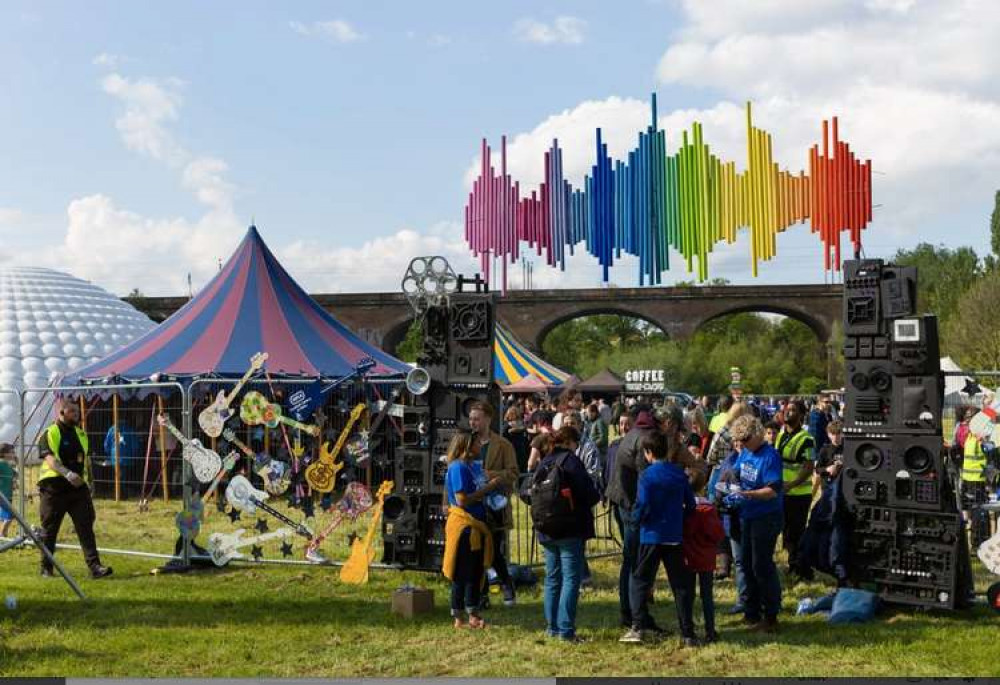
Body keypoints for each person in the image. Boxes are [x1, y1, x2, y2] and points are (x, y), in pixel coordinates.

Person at [619, 431, 698, 646]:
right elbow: (691, 505)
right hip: (673, 535)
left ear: (648, 453)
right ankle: (688, 632)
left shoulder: (647, 475)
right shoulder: (679, 474)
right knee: (680, 585)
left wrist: (635, 520)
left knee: (639, 581)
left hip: (651, 535)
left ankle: (638, 626)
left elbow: (643, 504)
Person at [533, 426, 600, 642]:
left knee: (553, 579)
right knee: (571, 579)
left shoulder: (544, 461)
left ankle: (552, 628)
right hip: (570, 528)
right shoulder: (571, 462)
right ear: (571, 442)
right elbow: (589, 494)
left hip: (546, 528)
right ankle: (566, 631)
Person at [605, 406, 666, 631]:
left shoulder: (631, 435)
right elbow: (646, 479)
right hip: (631, 505)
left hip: (623, 501)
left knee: (631, 561)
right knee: (635, 563)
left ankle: (630, 612)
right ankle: (634, 615)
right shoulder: (643, 441)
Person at [721, 415, 784, 632]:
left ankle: (771, 614)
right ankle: (751, 612)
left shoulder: (770, 456)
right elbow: (737, 470)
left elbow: (773, 490)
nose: (743, 443)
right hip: (748, 515)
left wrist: (747, 495)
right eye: (739, 440)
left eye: (746, 438)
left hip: (766, 516)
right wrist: (729, 483)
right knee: (746, 564)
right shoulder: (747, 451)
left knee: (762, 565)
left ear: (757, 433)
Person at [36, 399, 112, 578]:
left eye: (77, 412)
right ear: (61, 413)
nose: (77, 415)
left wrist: (89, 482)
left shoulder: (81, 434)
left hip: (78, 489)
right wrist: (68, 474)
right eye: (72, 412)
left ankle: (95, 567)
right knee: (50, 529)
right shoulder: (50, 433)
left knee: (86, 526)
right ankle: (46, 568)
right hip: (54, 488)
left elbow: (84, 461)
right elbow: (50, 459)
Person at [443, 430, 497, 629]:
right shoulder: (458, 467)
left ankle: (473, 614)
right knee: (462, 573)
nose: (480, 446)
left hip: (476, 525)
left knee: (475, 572)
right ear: (466, 445)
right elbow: (462, 499)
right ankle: (458, 617)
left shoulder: (471, 467)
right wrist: (487, 489)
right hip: (465, 527)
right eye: (476, 443)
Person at [468, 401, 520, 606]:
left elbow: (513, 473)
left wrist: (490, 475)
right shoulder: (466, 443)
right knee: (476, 551)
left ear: (488, 420)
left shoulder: (503, 445)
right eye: (471, 418)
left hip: (494, 507)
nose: (473, 423)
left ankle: (507, 584)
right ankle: (482, 595)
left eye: (477, 419)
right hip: (472, 506)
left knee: (493, 550)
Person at [797, 420, 847, 584]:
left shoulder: (847, 448)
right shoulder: (825, 450)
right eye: (833, 434)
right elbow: (817, 470)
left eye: (839, 434)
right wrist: (828, 469)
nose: (836, 437)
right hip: (828, 491)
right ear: (828, 434)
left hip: (843, 492)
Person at [774, 401, 815, 578]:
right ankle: (793, 564)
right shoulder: (781, 436)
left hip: (798, 493)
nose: (788, 413)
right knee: (786, 532)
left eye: (793, 411)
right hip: (782, 493)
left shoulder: (807, 439)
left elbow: (808, 467)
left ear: (801, 416)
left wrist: (791, 484)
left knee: (796, 532)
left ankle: (803, 569)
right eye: (786, 410)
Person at [683, 473, 725, 643]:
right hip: (706, 557)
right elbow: (717, 534)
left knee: (687, 594)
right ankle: (710, 630)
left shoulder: (683, 508)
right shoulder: (708, 509)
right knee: (707, 595)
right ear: (703, 487)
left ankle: (688, 630)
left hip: (687, 555)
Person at [0, 442, 17, 537]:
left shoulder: (8, 465)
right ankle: (2, 535)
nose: (13, 454)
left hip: (8, 495)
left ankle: (3, 535)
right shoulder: (1, 464)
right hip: (2, 495)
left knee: (7, 516)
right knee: (10, 515)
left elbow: (15, 475)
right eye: (11, 452)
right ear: (4, 454)